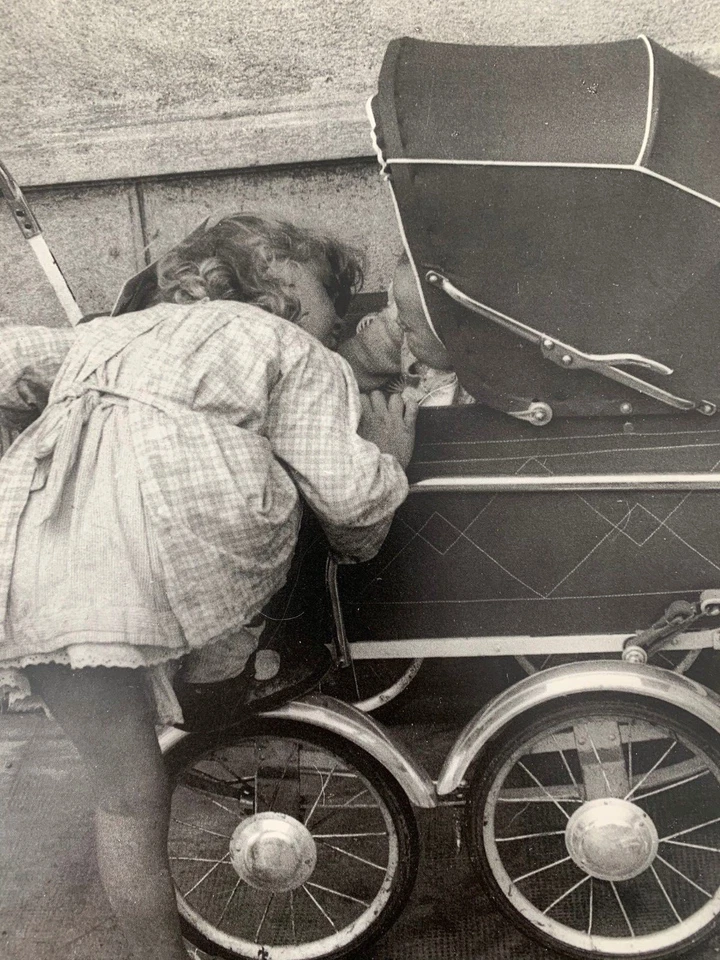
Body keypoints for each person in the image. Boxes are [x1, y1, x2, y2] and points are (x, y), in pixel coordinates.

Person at [0, 213, 418, 960]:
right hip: (177, 554)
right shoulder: (294, 350)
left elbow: (11, 353)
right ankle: (229, 683)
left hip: (38, 564)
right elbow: (350, 503)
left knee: (126, 799)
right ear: (288, 291)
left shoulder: (109, 333)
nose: (341, 323)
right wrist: (389, 460)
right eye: (335, 301)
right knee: (242, 633)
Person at [339, 251, 475, 406]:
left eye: (408, 328)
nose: (399, 322)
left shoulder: (495, 378)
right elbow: (359, 357)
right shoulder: (403, 319)